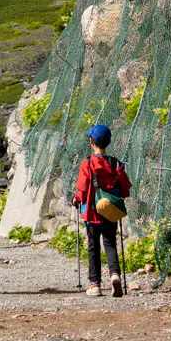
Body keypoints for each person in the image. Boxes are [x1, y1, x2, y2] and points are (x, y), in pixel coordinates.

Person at [73, 123, 132, 297]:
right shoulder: (116, 163)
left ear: (92, 142)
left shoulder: (88, 163)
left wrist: (75, 199)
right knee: (110, 243)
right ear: (109, 142)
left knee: (93, 246)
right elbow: (125, 190)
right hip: (110, 211)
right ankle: (115, 275)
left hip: (92, 211)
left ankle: (95, 285)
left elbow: (82, 189)